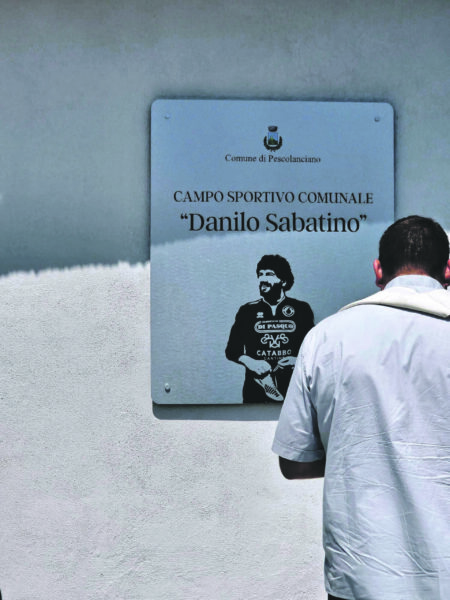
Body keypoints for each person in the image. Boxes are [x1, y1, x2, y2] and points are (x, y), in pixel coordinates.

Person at [272, 216, 450, 599]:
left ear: (378, 270)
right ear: (448, 269)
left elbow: (294, 462)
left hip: (363, 579)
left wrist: (363, 453)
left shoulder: (326, 338)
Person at [226, 254, 314, 403]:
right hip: (255, 388)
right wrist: (251, 362)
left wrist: (297, 360)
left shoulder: (301, 309)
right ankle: (265, 380)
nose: (262, 279)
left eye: (269, 274)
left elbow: (313, 348)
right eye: (260, 274)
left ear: (283, 281)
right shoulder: (247, 311)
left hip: (294, 386)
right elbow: (232, 350)